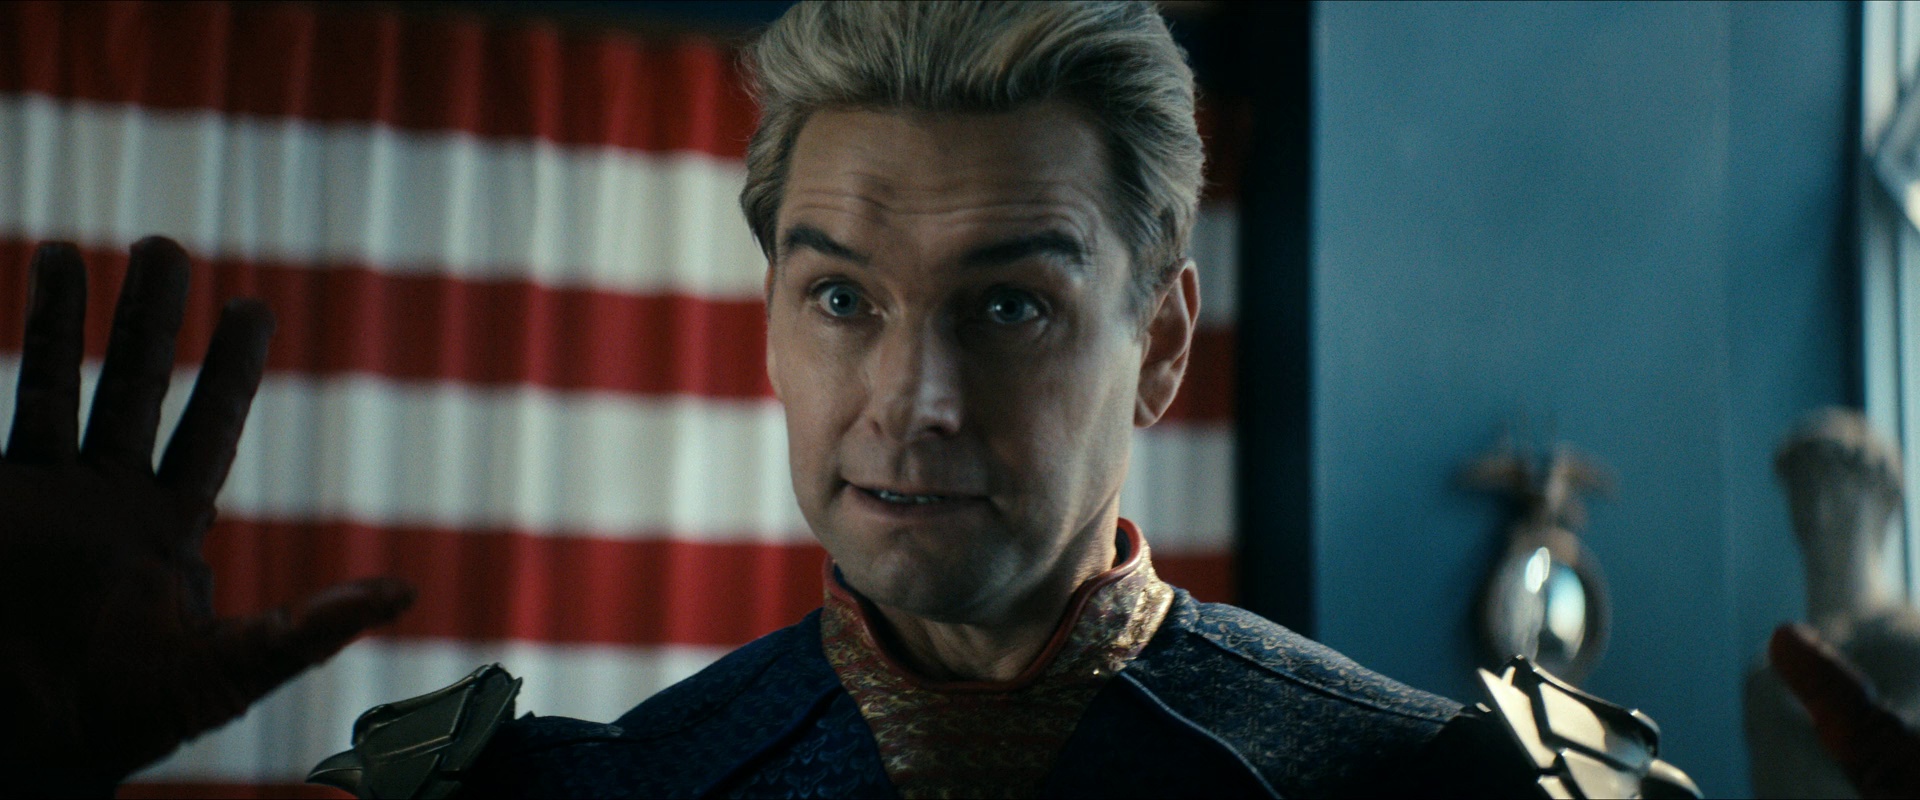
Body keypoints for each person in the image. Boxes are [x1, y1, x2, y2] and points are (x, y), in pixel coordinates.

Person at [0, 2, 1713, 797]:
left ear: (1162, 344)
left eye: (1010, 306)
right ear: (770, 325)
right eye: (842, 297)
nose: (914, 398)